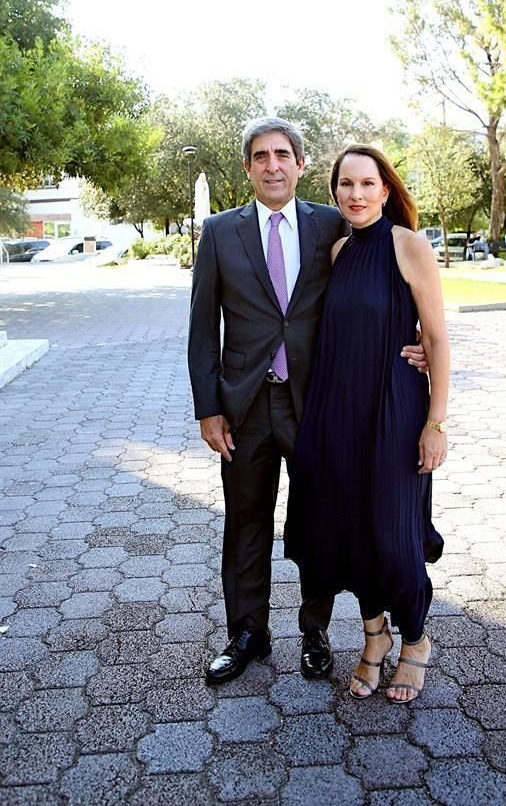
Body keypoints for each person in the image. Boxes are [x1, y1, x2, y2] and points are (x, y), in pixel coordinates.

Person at [188, 118, 427, 685]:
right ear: (247, 167)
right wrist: (208, 407)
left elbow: (386, 277)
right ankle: (247, 633)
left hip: (316, 404)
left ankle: (315, 633)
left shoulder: (331, 225)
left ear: (299, 164)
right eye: (260, 156)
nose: (272, 164)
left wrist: (414, 341)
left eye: (282, 155)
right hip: (243, 407)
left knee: (321, 521)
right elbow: (202, 328)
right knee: (245, 522)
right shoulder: (219, 232)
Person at [285, 144, 449, 704]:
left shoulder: (410, 246)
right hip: (337, 412)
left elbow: (436, 338)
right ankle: (373, 637)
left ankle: (416, 641)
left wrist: (437, 422)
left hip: (395, 409)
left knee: (393, 535)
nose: (356, 195)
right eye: (346, 185)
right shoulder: (336, 252)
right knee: (346, 532)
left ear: (385, 190)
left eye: (367, 184)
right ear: (335, 192)